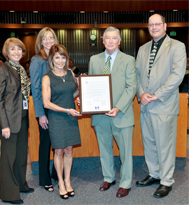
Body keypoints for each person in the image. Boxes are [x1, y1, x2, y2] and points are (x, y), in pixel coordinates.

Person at [135, 14, 186, 198]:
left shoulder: (177, 46)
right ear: (148, 27)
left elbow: (177, 76)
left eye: (157, 24)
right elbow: (137, 74)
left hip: (163, 104)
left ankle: (166, 180)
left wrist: (156, 95)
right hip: (146, 104)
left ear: (165, 25)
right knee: (149, 142)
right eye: (151, 25)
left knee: (165, 145)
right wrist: (141, 94)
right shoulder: (143, 48)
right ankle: (154, 174)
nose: (154, 27)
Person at [88, 26, 137, 197]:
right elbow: (91, 85)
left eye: (114, 38)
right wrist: (84, 98)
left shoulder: (129, 60)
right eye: (107, 38)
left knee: (125, 152)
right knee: (105, 150)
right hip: (100, 116)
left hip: (121, 114)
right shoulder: (94, 59)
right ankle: (108, 178)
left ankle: (125, 182)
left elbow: (131, 87)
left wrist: (118, 107)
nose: (110, 41)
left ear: (119, 41)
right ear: (102, 40)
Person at [0, 37, 33, 204]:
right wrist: (4, 125)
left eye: (19, 49)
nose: (17, 52)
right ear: (6, 53)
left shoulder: (21, 69)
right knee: (9, 158)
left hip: (22, 118)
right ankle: (9, 194)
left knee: (21, 155)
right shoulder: (2, 70)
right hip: (9, 121)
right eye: (12, 50)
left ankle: (21, 184)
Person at [42, 44, 81, 199]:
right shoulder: (47, 77)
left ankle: (67, 180)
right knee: (58, 151)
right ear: (52, 58)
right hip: (57, 117)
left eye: (63, 57)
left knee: (69, 150)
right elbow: (47, 103)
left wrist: (81, 90)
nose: (60, 60)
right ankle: (60, 182)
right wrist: (66, 110)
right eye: (57, 57)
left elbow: (73, 93)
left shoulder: (70, 74)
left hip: (70, 116)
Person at [29, 27, 58, 192]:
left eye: (51, 37)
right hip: (44, 110)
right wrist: (40, 115)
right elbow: (36, 89)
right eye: (45, 38)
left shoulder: (57, 58)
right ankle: (44, 178)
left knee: (57, 143)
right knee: (45, 144)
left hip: (56, 108)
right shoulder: (37, 61)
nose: (48, 41)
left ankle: (55, 173)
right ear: (40, 41)